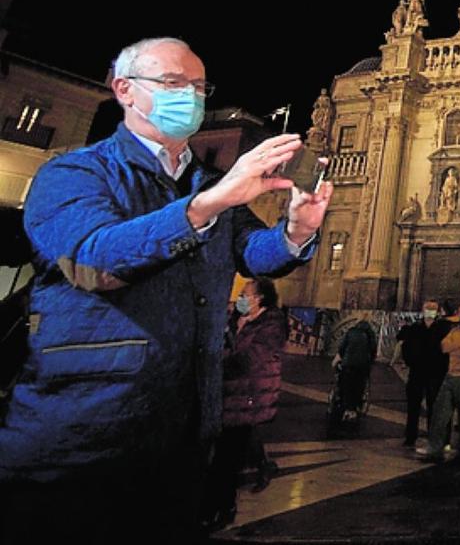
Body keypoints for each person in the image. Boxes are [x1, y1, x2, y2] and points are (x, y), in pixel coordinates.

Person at [0, 37, 331, 540]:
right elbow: (93, 260)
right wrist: (207, 205)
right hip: (78, 439)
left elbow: (254, 253)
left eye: (199, 87)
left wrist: (297, 231)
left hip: (183, 439)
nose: (192, 99)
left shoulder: (206, 183)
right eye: (175, 84)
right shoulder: (74, 172)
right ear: (124, 90)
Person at [202, 277, 288, 530]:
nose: (240, 297)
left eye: (245, 294)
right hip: (225, 395)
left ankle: (218, 508)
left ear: (259, 297)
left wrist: (216, 365)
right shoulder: (234, 320)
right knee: (219, 454)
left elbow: (251, 358)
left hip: (248, 398)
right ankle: (259, 463)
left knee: (225, 459)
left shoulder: (272, 324)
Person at [421, 300, 460, 462]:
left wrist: (456, 347)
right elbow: (443, 347)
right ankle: (434, 447)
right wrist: (459, 345)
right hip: (451, 375)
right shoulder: (454, 330)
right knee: (439, 413)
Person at [394, 298, 449, 447]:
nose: (430, 310)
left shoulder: (443, 329)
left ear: (438, 312)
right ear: (422, 310)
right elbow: (406, 347)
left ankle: (433, 436)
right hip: (417, 371)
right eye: (427, 308)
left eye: (433, 308)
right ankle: (410, 436)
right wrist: (410, 361)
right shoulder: (415, 328)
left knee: (434, 406)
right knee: (413, 406)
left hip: (435, 373)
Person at [334, 319, 377, 420]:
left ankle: (343, 404)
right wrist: (370, 363)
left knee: (345, 384)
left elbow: (342, 348)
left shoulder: (351, 332)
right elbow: (373, 351)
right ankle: (354, 408)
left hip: (348, 364)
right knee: (358, 386)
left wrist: (339, 360)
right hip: (362, 366)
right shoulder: (370, 335)